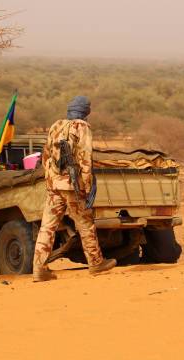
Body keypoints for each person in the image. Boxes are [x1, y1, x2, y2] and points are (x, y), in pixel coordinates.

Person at [33, 96, 117, 281]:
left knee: (47, 227)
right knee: (85, 223)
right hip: (72, 187)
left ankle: (39, 269)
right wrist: (86, 187)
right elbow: (85, 159)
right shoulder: (82, 127)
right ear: (86, 111)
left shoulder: (56, 125)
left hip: (54, 185)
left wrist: (50, 182)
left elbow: (46, 155)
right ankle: (96, 263)